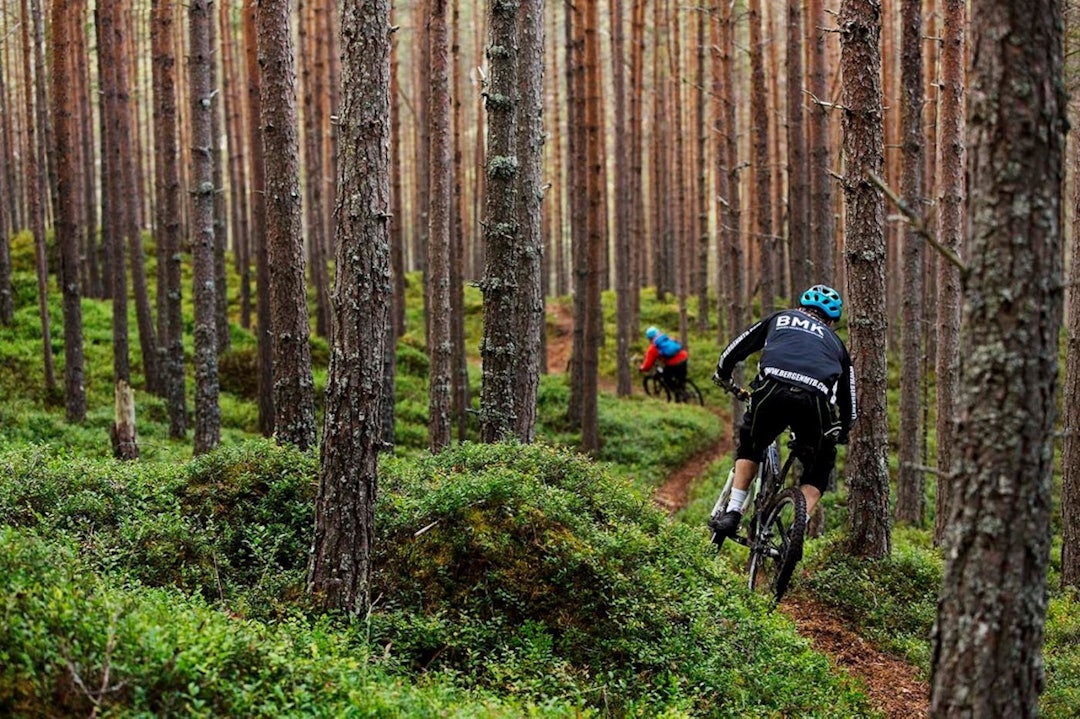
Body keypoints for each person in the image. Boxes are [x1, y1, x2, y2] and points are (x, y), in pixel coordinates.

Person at [708, 284, 857, 544]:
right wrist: (844, 429)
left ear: (801, 306)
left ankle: (733, 511)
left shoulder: (780, 318)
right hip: (815, 403)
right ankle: (795, 532)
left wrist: (723, 374)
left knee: (751, 445)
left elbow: (736, 348)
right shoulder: (837, 345)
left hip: (771, 393)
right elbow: (850, 402)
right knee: (820, 466)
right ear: (831, 321)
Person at [640, 326, 690, 400]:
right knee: (681, 379)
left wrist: (642, 368)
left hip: (674, 363)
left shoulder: (653, 348)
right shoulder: (667, 338)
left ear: (649, 338)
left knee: (666, 378)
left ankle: (677, 393)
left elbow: (648, 365)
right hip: (684, 357)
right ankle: (683, 394)